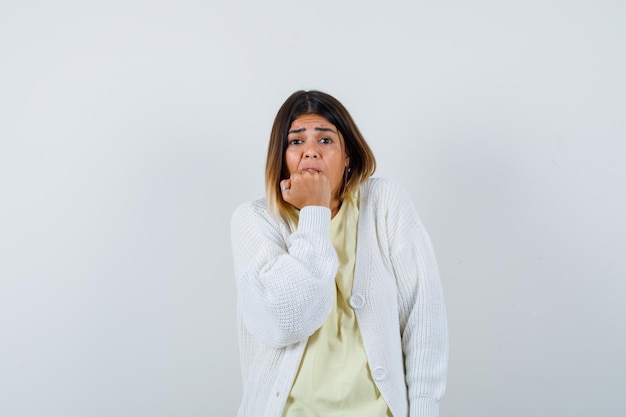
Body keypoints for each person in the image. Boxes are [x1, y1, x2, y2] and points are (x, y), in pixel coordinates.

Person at [230, 90, 448, 417]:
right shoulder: (255, 220)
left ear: (347, 157)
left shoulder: (384, 204)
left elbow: (423, 321)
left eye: (326, 140)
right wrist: (314, 211)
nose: (311, 152)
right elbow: (283, 321)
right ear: (281, 157)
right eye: (296, 142)